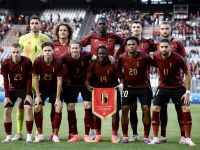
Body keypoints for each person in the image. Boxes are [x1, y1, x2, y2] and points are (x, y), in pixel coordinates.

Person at [81, 17, 124, 138]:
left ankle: (115, 133)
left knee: (115, 109)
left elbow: (125, 43)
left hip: (110, 72)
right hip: (96, 74)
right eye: (100, 24)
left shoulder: (113, 36)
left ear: (107, 25)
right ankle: (94, 132)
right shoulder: (92, 37)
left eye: (104, 24)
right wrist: (90, 56)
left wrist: (116, 55)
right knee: (95, 108)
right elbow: (79, 45)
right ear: (97, 25)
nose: (101, 25)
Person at [12, 15, 51, 141]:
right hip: (26, 75)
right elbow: (18, 55)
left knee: (39, 104)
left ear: (41, 24)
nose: (34, 25)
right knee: (21, 103)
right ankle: (19, 132)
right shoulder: (23, 38)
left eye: (36, 23)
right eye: (32, 23)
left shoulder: (45, 38)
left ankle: (38, 133)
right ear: (29, 25)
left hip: (40, 76)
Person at [150, 39, 196, 146]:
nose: (164, 49)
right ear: (159, 48)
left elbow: (187, 74)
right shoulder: (155, 56)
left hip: (178, 87)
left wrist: (187, 92)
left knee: (185, 108)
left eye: (166, 47)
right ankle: (156, 138)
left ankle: (187, 138)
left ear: (170, 47)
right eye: (162, 47)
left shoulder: (178, 57)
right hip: (163, 87)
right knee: (155, 108)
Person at [117, 20, 156, 142]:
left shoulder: (144, 57)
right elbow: (118, 69)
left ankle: (146, 136)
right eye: (129, 45)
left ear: (137, 45)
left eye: (133, 44)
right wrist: (122, 80)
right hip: (128, 87)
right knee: (125, 109)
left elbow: (157, 63)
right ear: (126, 46)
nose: (131, 46)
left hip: (143, 86)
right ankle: (126, 136)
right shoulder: (122, 57)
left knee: (146, 109)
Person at [156, 21, 187, 143]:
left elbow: (183, 61)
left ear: (171, 29)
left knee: (180, 109)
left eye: (167, 28)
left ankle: (183, 136)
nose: (164, 31)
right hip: (162, 83)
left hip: (176, 83)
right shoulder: (156, 44)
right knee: (162, 110)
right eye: (162, 28)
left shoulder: (177, 43)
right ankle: (162, 135)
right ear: (159, 30)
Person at [86, 45, 121, 143]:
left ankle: (114, 135)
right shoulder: (92, 63)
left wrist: (120, 84)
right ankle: (98, 135)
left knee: (115, 113)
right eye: (99, 53)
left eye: (103, 53)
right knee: (96, 113)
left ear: (107, 54)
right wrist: (88, 86)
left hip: (112, 90)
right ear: (97, 54)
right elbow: (87, 78)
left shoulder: (113, 63)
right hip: (98, 91)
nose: (101, 55)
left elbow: (120, 75)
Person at [61, 40, 94, 142]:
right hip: (71, 85)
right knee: (70, 107)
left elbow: (97, 57)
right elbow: (56, 63)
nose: (75, 50)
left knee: (88, 105)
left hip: (85, 84)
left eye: (77, 48)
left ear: (80, 49)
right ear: (69, 49)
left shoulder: (87, 55)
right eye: (73, 48)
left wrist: (109, 58)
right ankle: (74, 135)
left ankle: (87, 135)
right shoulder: (64, 57)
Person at [1, 43, 33, 143]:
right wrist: (6, 96)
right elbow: (6, 80)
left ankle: (29, 136)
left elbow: (29, 78)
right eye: (13, 52)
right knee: (6, 110)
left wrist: (28, 94)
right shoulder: (5, 62)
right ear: (11, 52)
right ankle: (8, 136)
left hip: (24, 89)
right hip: (12, 89)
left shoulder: (27, 61)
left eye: (17, 52)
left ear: (21, 52)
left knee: (28, 108)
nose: (15, 54)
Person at [47, 22, 74, 140]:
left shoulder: (72, 45)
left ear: (69, 32)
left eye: (65, 30)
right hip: (55, 82)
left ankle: (72, 132)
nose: (62, 32)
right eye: (61, 30)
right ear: (57, 32)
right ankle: (54, 132)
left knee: (70, 107)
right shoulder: (52, 45)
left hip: (70, 81)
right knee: (55, 107)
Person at [33, 42, 63, 142]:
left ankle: (55, 135)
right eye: (45, 50)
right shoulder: (37, 61)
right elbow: (35, 79)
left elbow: (59, 80)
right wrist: (37, 96)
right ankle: (40, 134)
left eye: (49, 50)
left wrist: (58, 99)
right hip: (43, 87)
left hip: (55, 88)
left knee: (58, 108)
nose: (47, 52)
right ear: (42, 52)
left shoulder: (58, 61)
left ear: (53, 51)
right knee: (37, 106)